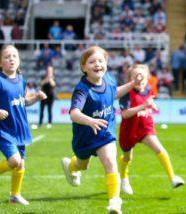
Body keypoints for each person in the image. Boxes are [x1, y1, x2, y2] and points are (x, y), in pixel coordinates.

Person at [60, 46, 143, 213]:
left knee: (110, 162)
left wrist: (132, 84)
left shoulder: (109, 80)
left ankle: (114, 202)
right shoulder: (82, 90)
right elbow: (74, 113)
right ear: (84, 67)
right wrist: (90, 121)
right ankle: (71, 166)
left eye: (100, 61)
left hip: (105, 133)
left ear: (106, 63)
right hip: (84, 137)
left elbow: (113, 93)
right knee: (82, 166)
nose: (97, 64)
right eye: (91, 62)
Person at [118, 64, 185, 195]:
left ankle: (173, 178)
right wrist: (143, 106)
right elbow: (125, 114)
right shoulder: (126, 93)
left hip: (145, 129)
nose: (139, 78)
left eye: (142, 76)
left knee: (159, 149)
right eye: (135, 76)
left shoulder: (149, 89)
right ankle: (124, 179)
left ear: (148, 77)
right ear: (130, 79)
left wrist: (153, 106)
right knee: (127, 157)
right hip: (129, 131)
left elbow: (149, 102)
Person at [0, 45, 47, 205]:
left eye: (14, 56)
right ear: (0, 62)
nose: (11, 59)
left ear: (19, 60)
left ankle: (15, 195)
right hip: (4, 130)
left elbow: (24, 101)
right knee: (14, 161)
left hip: (20, 129)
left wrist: (36, 98)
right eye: (7, 57)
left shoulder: (21, 80)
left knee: (21, 164)